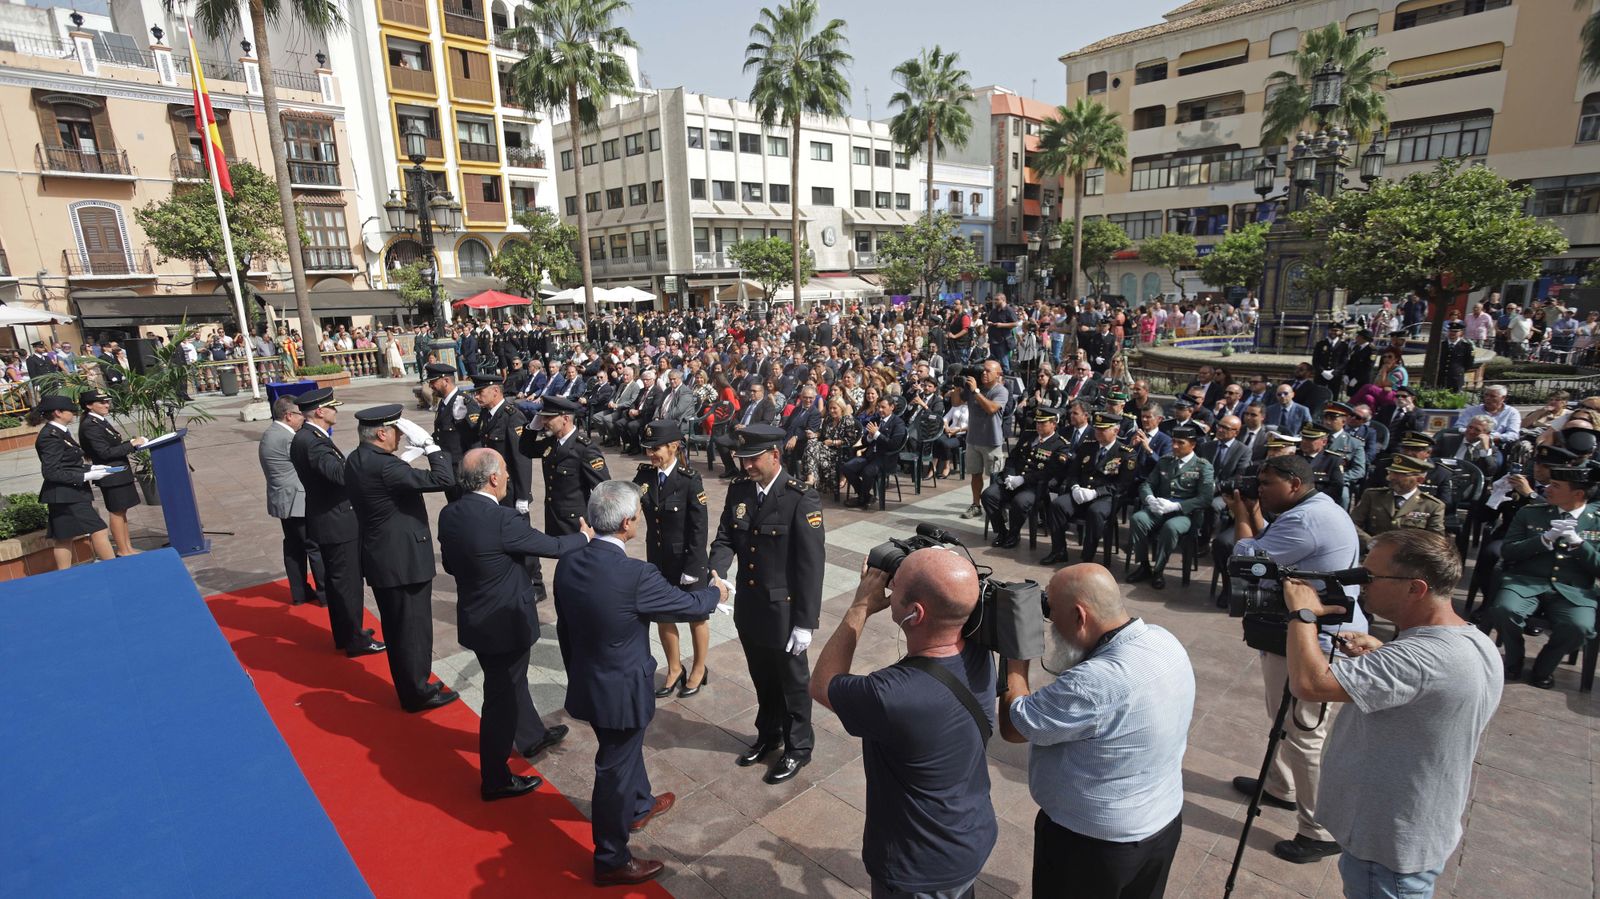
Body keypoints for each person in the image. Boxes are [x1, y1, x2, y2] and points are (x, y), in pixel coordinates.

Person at [1281, 529, 1500, 899]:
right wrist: (1381, 653)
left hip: (1387, 846)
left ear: (1415, 588)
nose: (1362, 585)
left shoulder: (1421, 657)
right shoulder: (1472, 640)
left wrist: (1302, 614)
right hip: (1414, 830)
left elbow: (1309, 684)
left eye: (1371, 577)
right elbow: (1429, 685)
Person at [553, 480, 727, 887]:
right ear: (629, 522)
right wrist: (715, 593)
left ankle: (640, 804)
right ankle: (611, 858)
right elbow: (686, 606)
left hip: (587, 681)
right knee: (612, 768)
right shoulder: (635, 574)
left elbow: (565, 627)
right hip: (621, 691)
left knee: (624, 752)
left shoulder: (570, 561)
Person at [1000, 564, 1193, 899]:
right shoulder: (1165, 640)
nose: (1050, 623)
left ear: (1079, 616)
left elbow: (1015, 726)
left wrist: (1016, 657)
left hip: (1092, 846)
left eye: (1052, 612)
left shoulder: (1094, 683)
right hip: (1160, 827)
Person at [812, 549, 997, 899]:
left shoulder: (891, 694)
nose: (888, 588)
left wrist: (861, 606)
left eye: (895, 587)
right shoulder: (979, 654)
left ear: (915, 613)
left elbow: (821, 683)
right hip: (970, 838)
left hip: (917, 868)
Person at [1225, 453, 1368, 864]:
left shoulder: (1306, 520)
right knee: (1282, 719)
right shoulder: (1309, 510)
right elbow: (1273, 546)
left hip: (1316, 640)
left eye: (1267, 483)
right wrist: (1255, 512)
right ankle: (1279, 786)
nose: (1261, 490)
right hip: (1297, 632)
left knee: (1305, 735)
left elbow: (1246, 560)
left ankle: (1320, 830)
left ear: (1293, 483)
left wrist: (1241, 514)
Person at [438, 448, 591, 801]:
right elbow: (551, 546)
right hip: (504, 623)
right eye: (505, 471)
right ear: (493, 478)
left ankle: (532, 736)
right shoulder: (502, 519)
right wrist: (586, 537)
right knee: (500, 701)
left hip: (476, 618)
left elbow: (449, 564)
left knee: (511, 682)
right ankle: (495, 778)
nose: (508, 476)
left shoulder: (450, 514)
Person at [708, 425, 826, 785]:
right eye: (743, 459)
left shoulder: (800, 497)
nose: (746, 466)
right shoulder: (740, 490)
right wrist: (719, 570)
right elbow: (726, 534)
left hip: (785, 611)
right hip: (751, 604)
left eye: (753, 459)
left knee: (792, 682)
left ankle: (798, 746)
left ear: (775, 455)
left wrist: (806, 622)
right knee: (762, 677)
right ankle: (769, 733)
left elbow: (811, 565)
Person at [344, 404, 459, 712]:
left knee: (398, 628)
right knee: (413, 629)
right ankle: (418, 692)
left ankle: (410, 685)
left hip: (383, 557)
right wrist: (431, 447)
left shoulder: (357, 459)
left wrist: (405, 458)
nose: (400, 435)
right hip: (403, 561)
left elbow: (390, 479)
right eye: (396, 429)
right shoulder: (386, 467)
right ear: (382, 433)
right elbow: (444, 479)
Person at [288, 388, 386, 658]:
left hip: (328, 518)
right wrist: (362, 459)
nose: (336, 411)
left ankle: (346, 632)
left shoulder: (306, 436)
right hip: (337, 521)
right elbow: (338, 474)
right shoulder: (314, 441)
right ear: (320, 411)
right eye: (332, 407)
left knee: (337, 581)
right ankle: (355, 639)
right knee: (347, 583)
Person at [1482, 464, 1600, 688]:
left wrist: (1581, 546)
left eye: (1556, 486)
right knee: (1504, 610)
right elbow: (1507, 551)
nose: (1548, 489)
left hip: (1573, 590)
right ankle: (1514, 659)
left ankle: (1544, 668)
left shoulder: (1597, 521)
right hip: (1526, 582)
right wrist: (1543, 540)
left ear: (1578, 494)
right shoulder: (1530, 512)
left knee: (1579, 627)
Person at [632, 421, 712, 698]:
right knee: (663, 616)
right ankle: (675, 668)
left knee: (696, 616)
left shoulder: (690, 480)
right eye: (648, 449)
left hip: (687, 561)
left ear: (674, 446)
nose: (651, 454)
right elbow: (627, 500)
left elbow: (699, 529)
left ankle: (700, 668)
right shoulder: (645, 476)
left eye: (656, 448)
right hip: (658, 560)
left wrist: (693, 568)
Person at [29, 394, 116, 569]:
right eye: (70, 410)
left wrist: (90, 469)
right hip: (66, 494)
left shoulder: (60, 432)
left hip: (66, 493)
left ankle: (65, 575)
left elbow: (68, 463)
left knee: (64, 536)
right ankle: (115, 569)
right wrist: (85, 476)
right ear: (58, 412)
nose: (74, 414)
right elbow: (51, 472)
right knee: (98, 529)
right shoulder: (50, 436)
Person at [1127, 423, 1214, 589]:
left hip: (1185, 514)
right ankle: (1144, 565)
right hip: (1159, 508)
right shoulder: (1166, 461)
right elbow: (1147, 484)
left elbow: (1205, 498)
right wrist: (1150, 499)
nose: (1175, 446)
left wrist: (1175, 506)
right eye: (1173, 441)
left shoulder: (1203, 466)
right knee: (1138, 518)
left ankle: (1158, 570)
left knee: (1170, 527)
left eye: (1180, 443)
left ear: (1193, 444)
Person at [259, 396, 326, 607]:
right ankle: (326, 594)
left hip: (284, 499)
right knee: (314, 547)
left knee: (294, 547)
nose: (304, 420)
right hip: (296, 500)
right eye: (300, 415)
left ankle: (299, 592)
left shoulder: (272, 432)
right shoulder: (288, 438)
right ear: (289, 416)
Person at [981, 406, 1072, 549]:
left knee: (1020, 502)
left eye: (1043, 423)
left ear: (1054, 424)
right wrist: (1009, 476)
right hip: (1013, 480)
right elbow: (1013, 458)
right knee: (988, 495)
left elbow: (1050, 472)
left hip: (1035, 486)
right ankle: (1002, 531)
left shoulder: (1061, 445)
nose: (1039, 426)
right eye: (1037, 422)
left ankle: (1013, 534)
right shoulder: (1028, 435)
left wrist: (1023, 480)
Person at [76, 389, 145, 557]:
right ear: (89, 406)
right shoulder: (90, 425)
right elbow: (105, 452)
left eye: (107, 401)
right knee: (116, 511)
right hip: (111, 474)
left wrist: (129, 443)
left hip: (119, 471)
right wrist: (131, 445)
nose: (106, 405)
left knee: (122, 511)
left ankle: (127, 547)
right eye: (102, 402)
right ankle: (123, 549)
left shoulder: (99, 421)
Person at [949, 360, 1009, 520]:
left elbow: (991, 409)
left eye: (988, 371)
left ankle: (998, 507)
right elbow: (956, 402)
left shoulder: (1001, 391)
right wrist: (957, 384)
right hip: (973, 439)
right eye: (982, 370)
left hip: (992, 441)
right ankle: (976, 505)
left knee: (995, 478)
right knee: (975, 475)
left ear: (998, 374)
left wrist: (975, 391)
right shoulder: (973, 388)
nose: (984, 373)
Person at [1349, 455, 1446, 551]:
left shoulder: (1432, 506)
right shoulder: (1372, 496)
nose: (1390, 478)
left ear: (1419, 480)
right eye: (1391, 472)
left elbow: (1435, 541)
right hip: (1372, 554)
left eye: (1400, 474)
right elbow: (1352, 524)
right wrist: (1370, 541)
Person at [841, 396, 907, 507]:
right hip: (870, 455)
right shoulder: (875, 420)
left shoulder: (898, 423)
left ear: (892, 407)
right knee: (847, 467)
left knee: (868, 472)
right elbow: (864, 440)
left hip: (886, 459)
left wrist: (877, 434)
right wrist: (870, 437)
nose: (880, 410)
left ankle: (862, 498)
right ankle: (866, 496)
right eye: (878, 407)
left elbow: (893, 445)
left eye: (883, 407)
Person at [425, 361, 479, 498]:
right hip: (448, 468)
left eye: (433, 382)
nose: (431, 386)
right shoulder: (444, 402)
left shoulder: (464, 402)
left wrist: (473, 471)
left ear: (446, 380)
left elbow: (475, 439)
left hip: (462, 470)